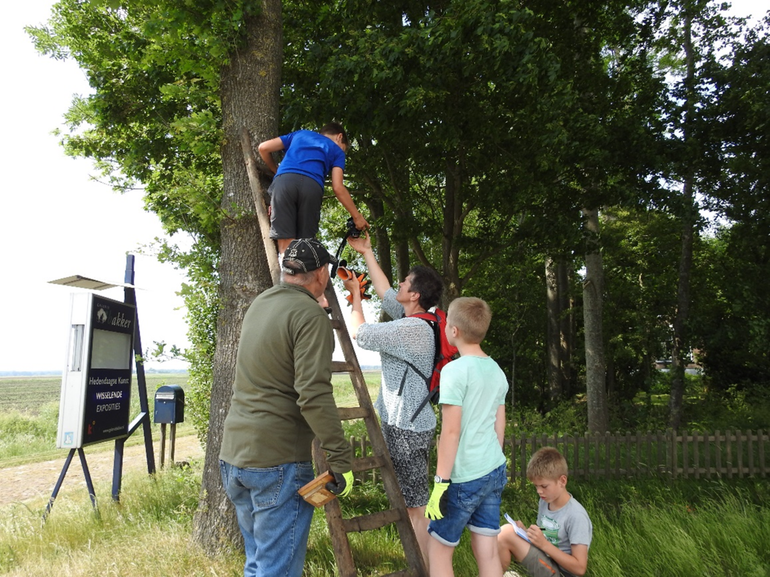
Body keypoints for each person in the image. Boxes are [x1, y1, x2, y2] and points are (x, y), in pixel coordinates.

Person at [219, 238, 354, 577]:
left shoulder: (261, 303)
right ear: (321, 274)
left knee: (258, 564)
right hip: (276, 464)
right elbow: (313, 393)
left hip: (234, 457)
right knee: (276, 571)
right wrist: (340, 459)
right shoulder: (311, 317)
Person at [341, 231, 444, 562]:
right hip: (409, 424)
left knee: (414, 510)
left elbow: (360, 333)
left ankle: (428, 568)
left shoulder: (412, 330)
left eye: (405, 283)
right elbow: (386, 292)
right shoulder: (415, 318)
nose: (399, 284)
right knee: (411, 504)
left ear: (413, 295)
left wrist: (356, 296)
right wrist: (367, 251)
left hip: (407, 430)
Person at [424, 297, 509, 577]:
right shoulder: (496, 370)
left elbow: (450, 432)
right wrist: (490, 462)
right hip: (494, 468)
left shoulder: (453, 372)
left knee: (438, 549)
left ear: (453, 330)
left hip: (462, 478)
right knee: (486, 550)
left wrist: (440, 484)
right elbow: (500, 423)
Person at [258, 122, 369, 256]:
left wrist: (276, 170)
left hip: (284, 182)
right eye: (344, 148)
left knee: (285, 240)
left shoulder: (300, 134)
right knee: (305, 244)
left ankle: (287, 269)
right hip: (312, 187)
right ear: (340, 137)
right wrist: (357, 217)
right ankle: (301, 272)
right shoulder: (337, 151)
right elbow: (338, 187)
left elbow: (263, 148)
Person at [497, 447, 593, 577]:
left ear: (562, 481)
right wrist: (525, 533)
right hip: (545, 559)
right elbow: (546, 535)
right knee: (505, 533)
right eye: (536, 486)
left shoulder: (576, 516)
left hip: (560, 573)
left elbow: (580, 568)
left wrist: (544, 545)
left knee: (505, 534)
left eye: (544, 486)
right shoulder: (545, 501)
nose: (539, 491)